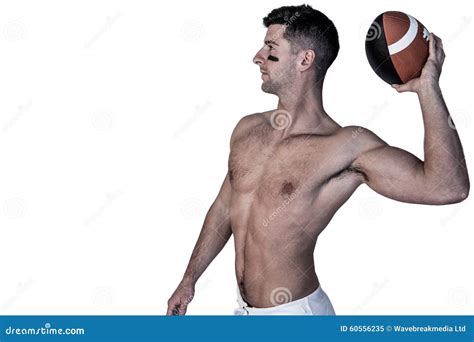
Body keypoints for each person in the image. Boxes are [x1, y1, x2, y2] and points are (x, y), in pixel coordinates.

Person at [167, 5, 469, 315]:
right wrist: (189, 279)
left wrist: (427, 88)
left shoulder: (344, 146)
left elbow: (448, 187)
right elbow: (224, 207)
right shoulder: (247, 130)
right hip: (243, 313)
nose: (257, 57)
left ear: (305, 60)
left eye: (271, 47)